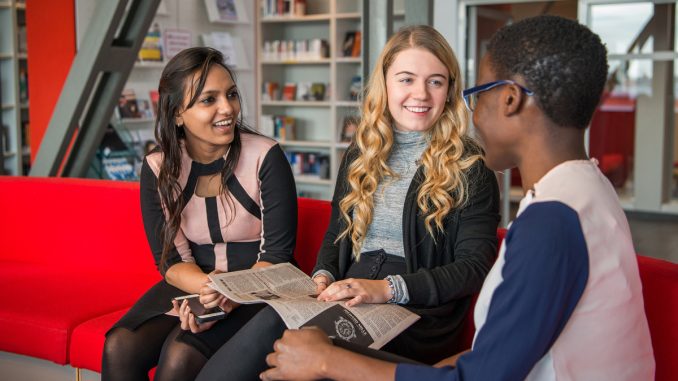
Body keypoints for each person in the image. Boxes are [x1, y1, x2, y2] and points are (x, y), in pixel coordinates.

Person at [260, 15, 656, 381]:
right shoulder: (589, 190)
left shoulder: (550, 223)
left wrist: (328, 360)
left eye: (477, 93)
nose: (470, 110)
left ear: (510, 100)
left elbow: (479, 376)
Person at [196, 25, 500, 381]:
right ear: (384, 83)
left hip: (416, 314)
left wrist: (385, 288)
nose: (421, 93)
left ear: (449, 90)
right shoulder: (363, 152)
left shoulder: (470, 165)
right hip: (350, 294)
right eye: (406, 79)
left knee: (279, 335)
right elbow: (337, 233)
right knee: (271, 323)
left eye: (435, 81)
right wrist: (323, 275)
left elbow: (473, 267)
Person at [101, 47, 298, 381]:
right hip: (197, 281)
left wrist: (226, 294)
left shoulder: (266, 157)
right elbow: (171, 262)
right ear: (177, 113)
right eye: (209, 100)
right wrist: (209, 290)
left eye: (231, 94)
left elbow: (277, 257)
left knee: (180, 356)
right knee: (120, 345)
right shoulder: (158, 167)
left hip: (259, 287)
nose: (227, 108)